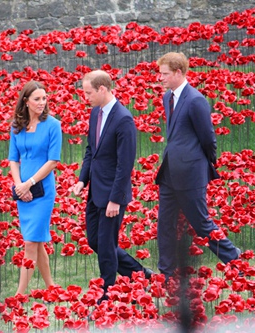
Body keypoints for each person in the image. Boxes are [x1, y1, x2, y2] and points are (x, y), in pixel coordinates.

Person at [155, 52, 240, 280]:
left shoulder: (195, 100)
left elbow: (208, 138)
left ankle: (235, 260)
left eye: (164, 74)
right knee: (165, 224)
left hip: (191, 174)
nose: (160, 78)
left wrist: (201, 164)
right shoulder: (167, 98)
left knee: (201, 223)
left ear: (178, 73)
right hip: (169, 173)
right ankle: (166, 273)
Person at [73, 70, 153, 300]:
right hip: (94, 190)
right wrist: (81, 180)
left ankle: (106, 292)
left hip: (112, 194)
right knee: (94, 241)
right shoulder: (94, 113)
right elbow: (92, 151)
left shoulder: (123, 118)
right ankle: (141, 275)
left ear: (102, 89)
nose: (85, 97)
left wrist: (116, 199)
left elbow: (124, 164)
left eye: (88, 92)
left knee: (107, 245)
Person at [8, 80, 62, 295]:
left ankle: (19, 295)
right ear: (26, 101)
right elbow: (13, 159)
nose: (42, 102)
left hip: (42, 190)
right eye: (37, 99)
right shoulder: (16, 126)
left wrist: (30, 183)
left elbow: (53, 161)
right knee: (36, 241)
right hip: (23, 191)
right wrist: (19, 185)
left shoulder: (53, 125)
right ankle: (51, 287)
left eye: (44, 98)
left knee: (30, 242)